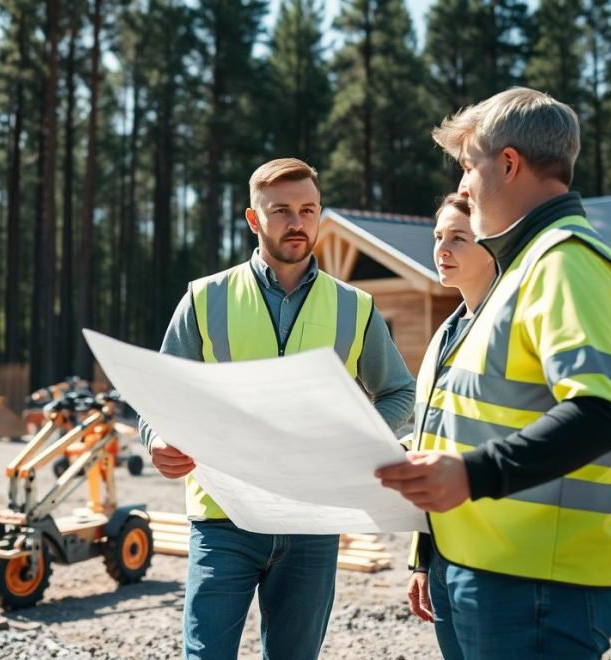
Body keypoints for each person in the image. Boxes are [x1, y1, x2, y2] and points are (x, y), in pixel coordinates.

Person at [377, 87, 611, 659]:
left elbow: (599, 413)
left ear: (507, 164)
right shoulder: (519, 272)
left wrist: (473, 475)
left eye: (468, 167)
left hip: (537, 583)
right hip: (486, 566)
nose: (464, 187)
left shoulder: (565, 262)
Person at [139, 157, 415, 660]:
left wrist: (357, 435)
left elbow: (400, 393)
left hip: (314, 521)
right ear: (253, 218)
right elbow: (158, 398)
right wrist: (156, 440)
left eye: (308, 210)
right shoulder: (204, 299)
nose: (297, 222)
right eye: (282, 210)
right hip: (223, 518)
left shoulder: (355, 306)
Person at [405, 194, 495, 624]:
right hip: (442, 549)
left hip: (494, 554)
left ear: (493, 242)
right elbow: (430, 439)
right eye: (439, 236)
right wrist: (422, 560)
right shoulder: (445, 334)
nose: (441, 250)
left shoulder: (508, 328)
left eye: (458, 238)